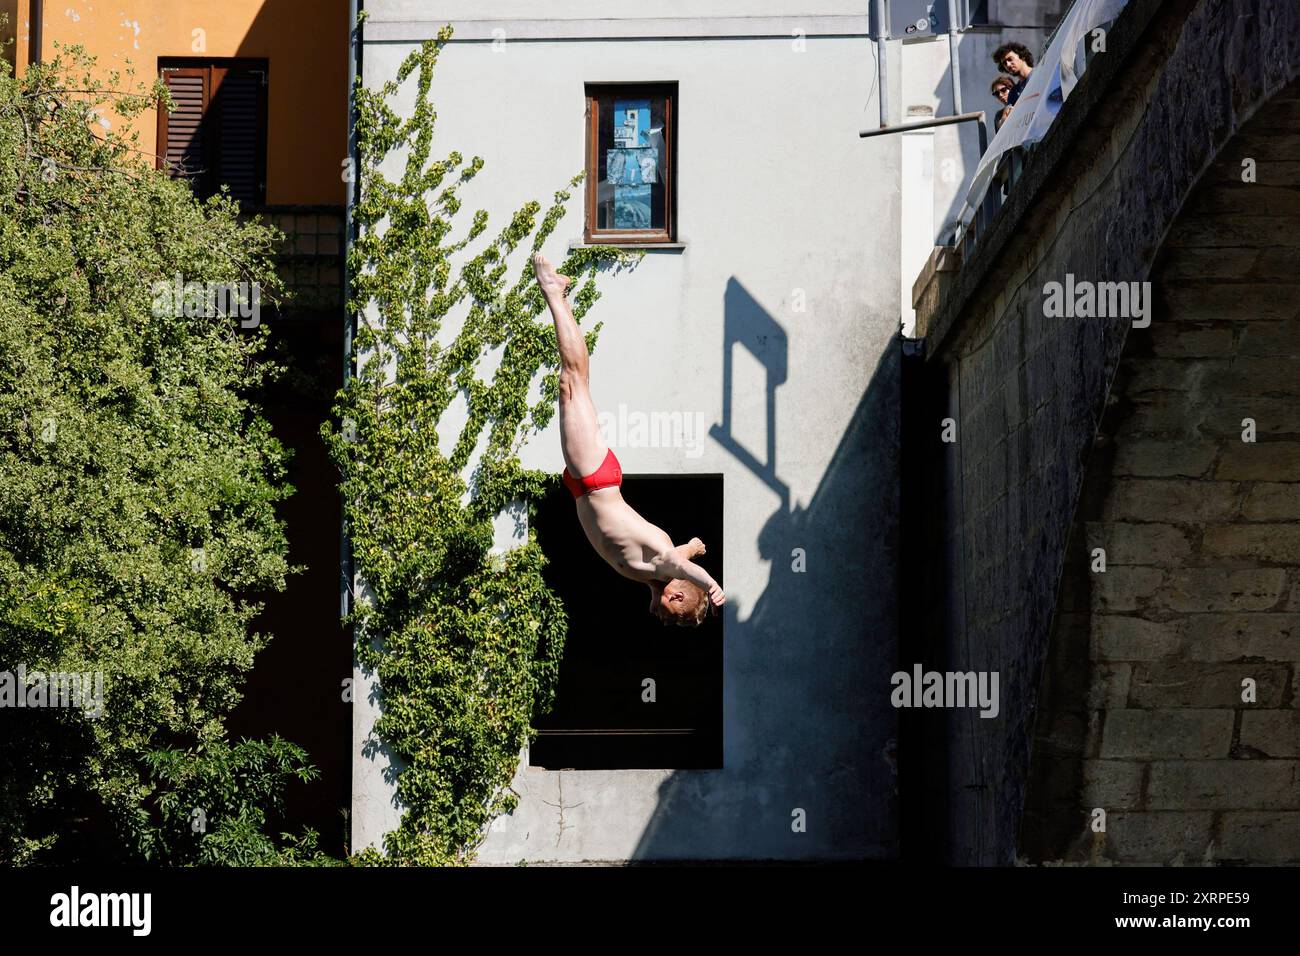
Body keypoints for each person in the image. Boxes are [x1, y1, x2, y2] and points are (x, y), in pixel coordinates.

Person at [532, 252, 725, 626]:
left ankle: (560, 296)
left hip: (586, 485)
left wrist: (694, 548)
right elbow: (679, 563)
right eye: (669, 615)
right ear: (679, 593)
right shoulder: (665, 563)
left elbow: (676, 559)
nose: (659, 617)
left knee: (574, 382)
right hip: (593, 478)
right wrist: (713, 584)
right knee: (573, 379)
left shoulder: (657, 572)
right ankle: (554, 292)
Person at [992, 41, 1034, 105]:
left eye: (1010, 59)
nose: (1008, 65)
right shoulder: (1013, 94)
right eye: (1004, 63)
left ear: (1022, 56)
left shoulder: (1042, 74)